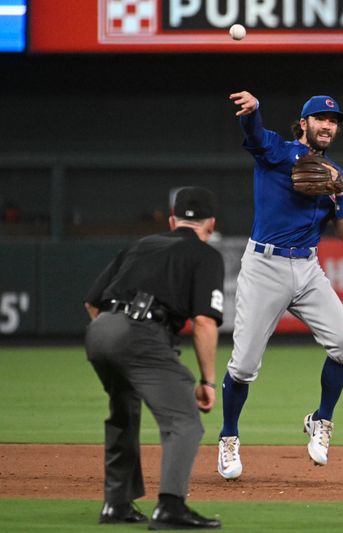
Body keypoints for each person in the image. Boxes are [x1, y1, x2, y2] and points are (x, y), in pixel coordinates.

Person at [217, 91, 343, 479]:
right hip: (265, 265)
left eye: (334, 122)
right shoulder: (277, 152)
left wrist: (340, 194)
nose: (328, 126)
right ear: (304, 123)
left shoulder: (334, 173)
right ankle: (229, 437)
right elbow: (256, 134)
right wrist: (254, 111)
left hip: (307, 267)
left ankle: (321, 420)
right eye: (321, 120)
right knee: (244, 366)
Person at [83, 187, 224, 529]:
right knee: (184, 422)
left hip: (100, 331)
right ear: (211, 224)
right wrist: (207, 380)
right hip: (141, 333)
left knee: (123, 413)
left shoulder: (140, 244)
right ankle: (171, 507)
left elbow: (92, 302)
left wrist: (115, 336)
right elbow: (204, 322)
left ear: (173, 220)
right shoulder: (206, 255)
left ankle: (116, 505)